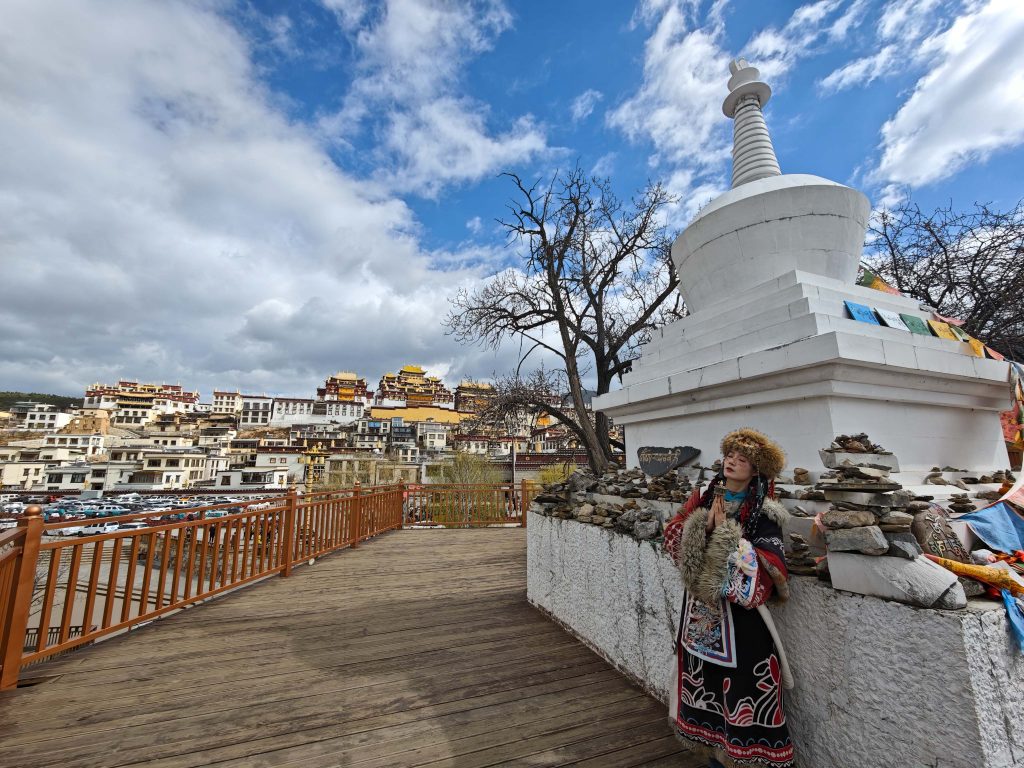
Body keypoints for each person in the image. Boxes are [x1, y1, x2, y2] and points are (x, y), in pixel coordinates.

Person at [662, 428, 794, 768]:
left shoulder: (766, 513)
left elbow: (771, 563)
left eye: (743, 459)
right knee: (703, 680)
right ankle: (711, 752)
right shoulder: (703, 496)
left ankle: (743, 756)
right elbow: (673, 531)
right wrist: (701, 528)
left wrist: (725, 535)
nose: (733, 462)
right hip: (700, 612)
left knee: (744, 686)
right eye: (730, 456)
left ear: (756, 470)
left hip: (740, 618)